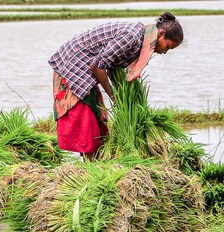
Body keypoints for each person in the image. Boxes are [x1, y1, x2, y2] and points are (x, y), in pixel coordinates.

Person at [48, 12, 184, 160]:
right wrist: (114, 98)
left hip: (86, 69)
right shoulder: (132, 36)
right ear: (161, 34)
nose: (164, 52)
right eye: (168, 47)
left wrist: (123, 95)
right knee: (87, 122)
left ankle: (93, 165)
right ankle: (90, 168)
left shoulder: (141, 39)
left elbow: (112, 67)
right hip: (75, 66)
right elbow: (97, 66)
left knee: (97, 123)